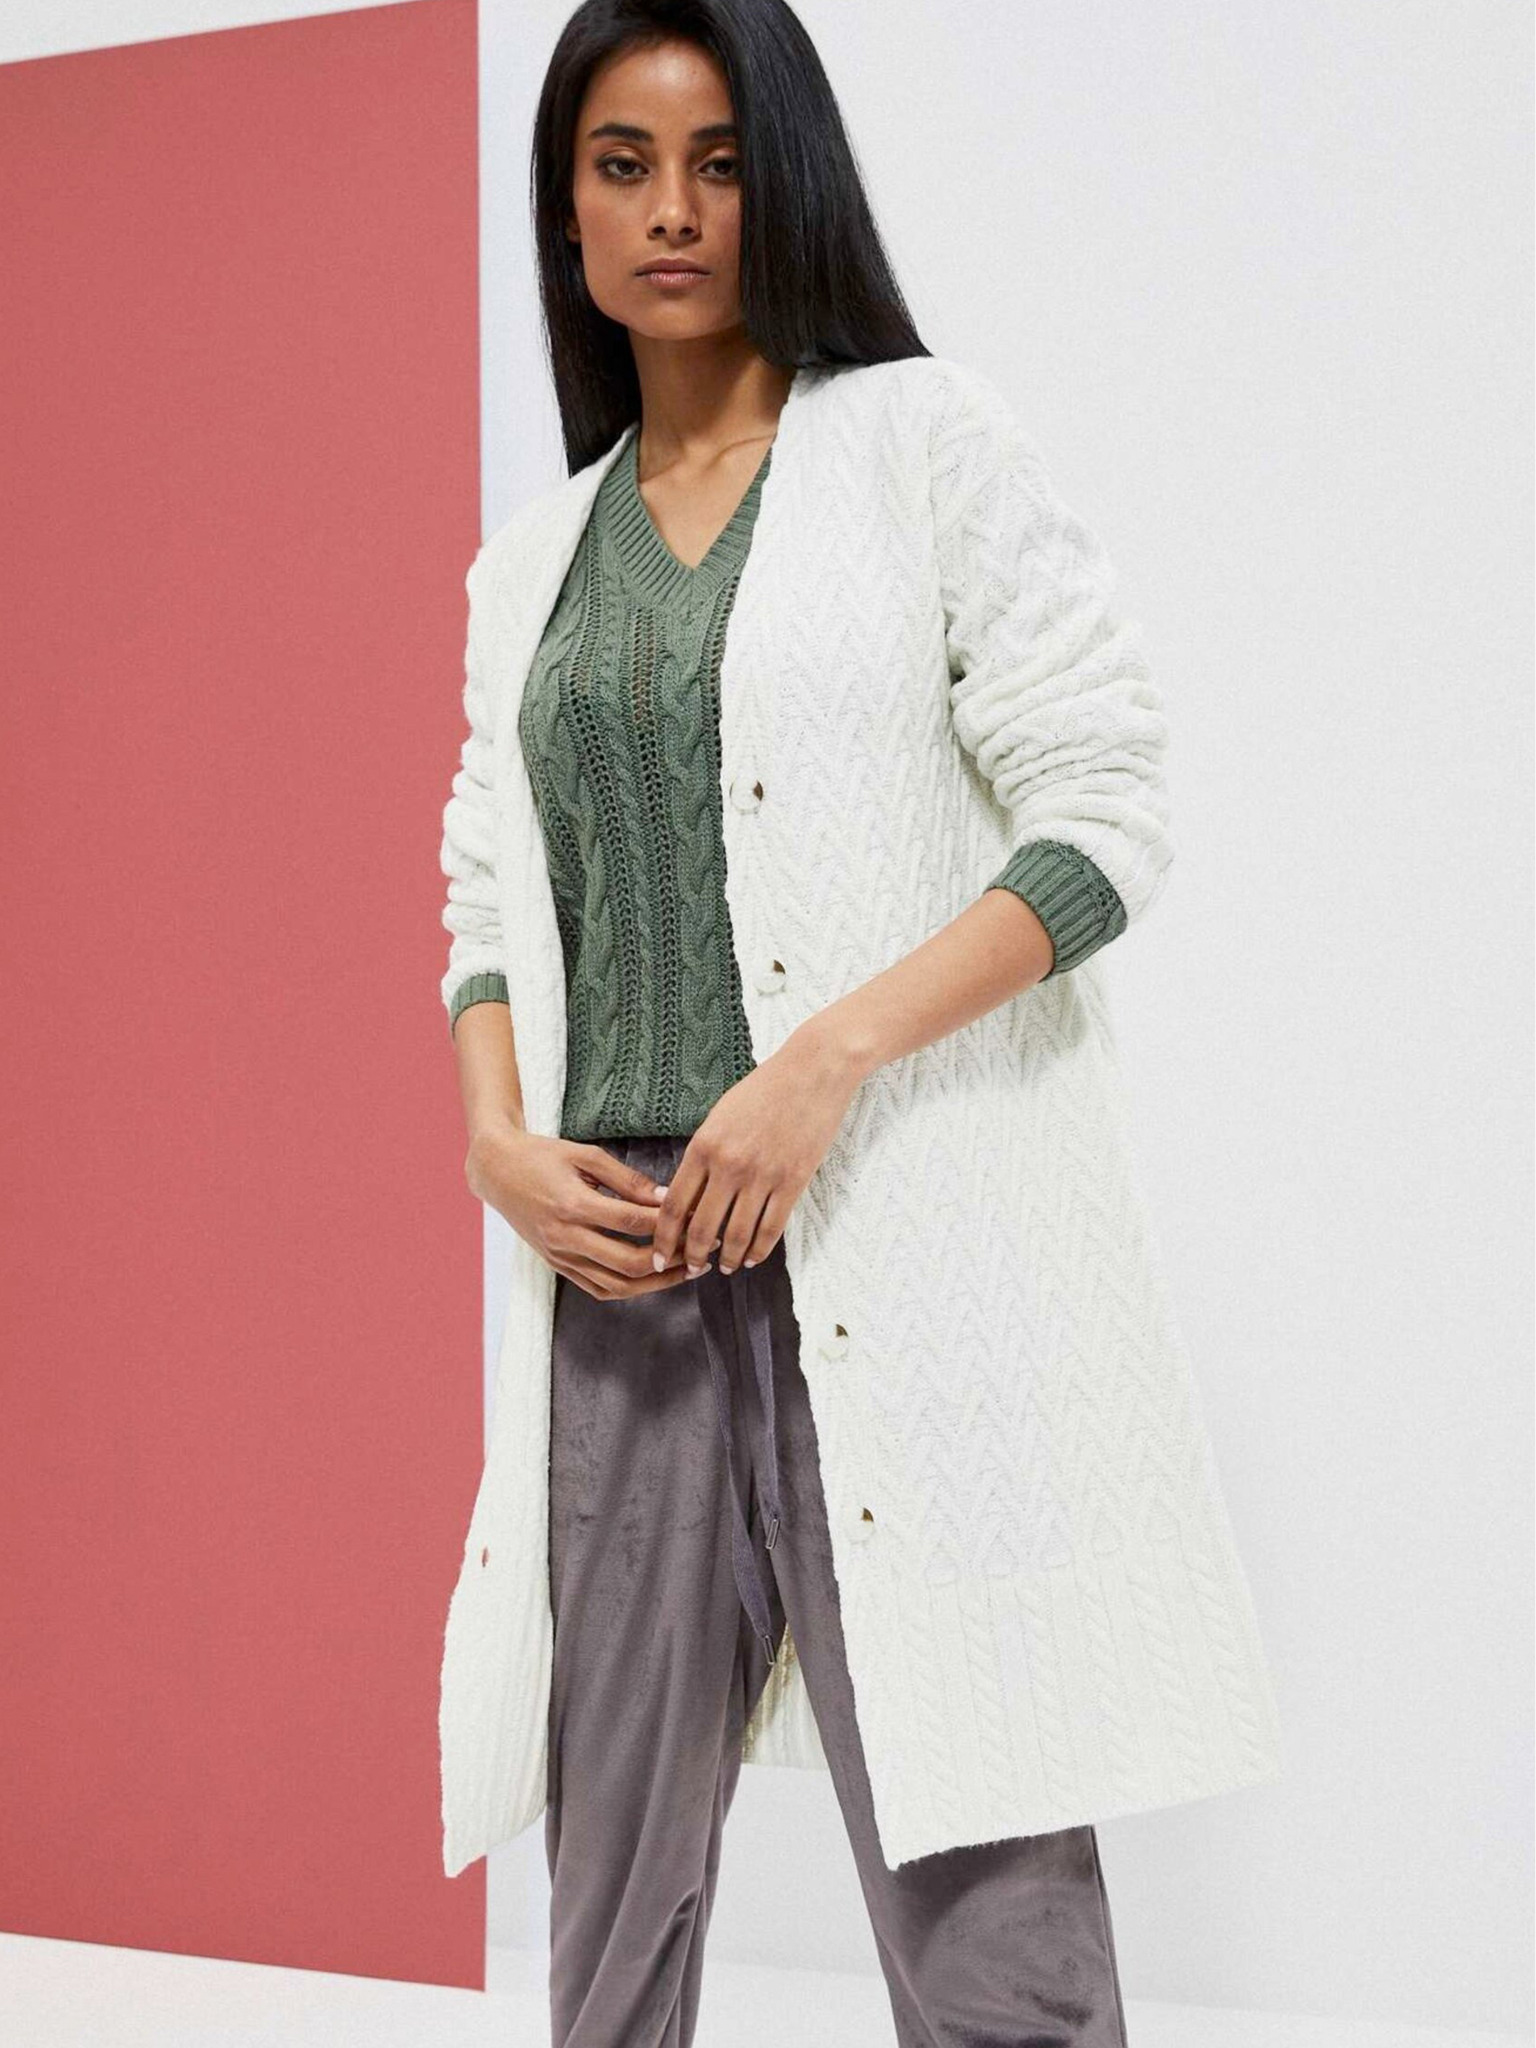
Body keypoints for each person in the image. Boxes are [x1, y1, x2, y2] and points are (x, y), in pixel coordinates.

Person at [436, 3, 1284, 2043]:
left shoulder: (920, 446)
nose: (672, 209)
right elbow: (481, 889)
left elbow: (1105, 812)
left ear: (784, 181)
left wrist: (825, 1061)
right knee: (613, 1882)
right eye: (623, 165)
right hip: (623, 1276)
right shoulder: (530, 562)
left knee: (979, 1863)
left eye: (720, 161)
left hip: (883, 1231)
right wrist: (498, 1142)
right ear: (565, 211)